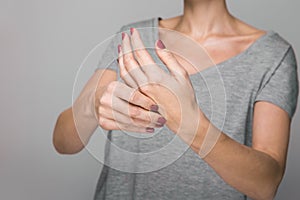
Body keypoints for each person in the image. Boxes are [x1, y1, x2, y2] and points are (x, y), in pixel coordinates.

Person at [53, 0, 299, 199]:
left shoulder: (271, 55)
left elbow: (266, 184)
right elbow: (63, 142)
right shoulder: (132, 39)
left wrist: (190, 124)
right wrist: (92, 104)